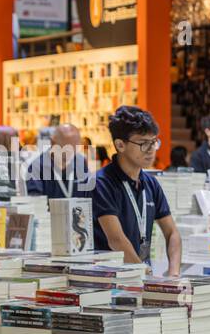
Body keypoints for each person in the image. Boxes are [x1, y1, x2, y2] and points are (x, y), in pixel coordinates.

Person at [89, 105, 182, 276]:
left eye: (154, 142)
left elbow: (172, 232)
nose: (151, 149)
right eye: (142, 143)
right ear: (120, 145)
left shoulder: (151, 184)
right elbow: (116, 240)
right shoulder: (101, 183)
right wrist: (144, 273)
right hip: (110, 280)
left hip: (140, 275)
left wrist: (173, 273)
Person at [25, 123, 92, 199]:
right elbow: (35, 202)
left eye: (75, 147)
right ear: (53, 143)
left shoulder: (80, 161)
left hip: (78, 210)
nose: (71, 152)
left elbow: (90, 192)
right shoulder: (37, 167)